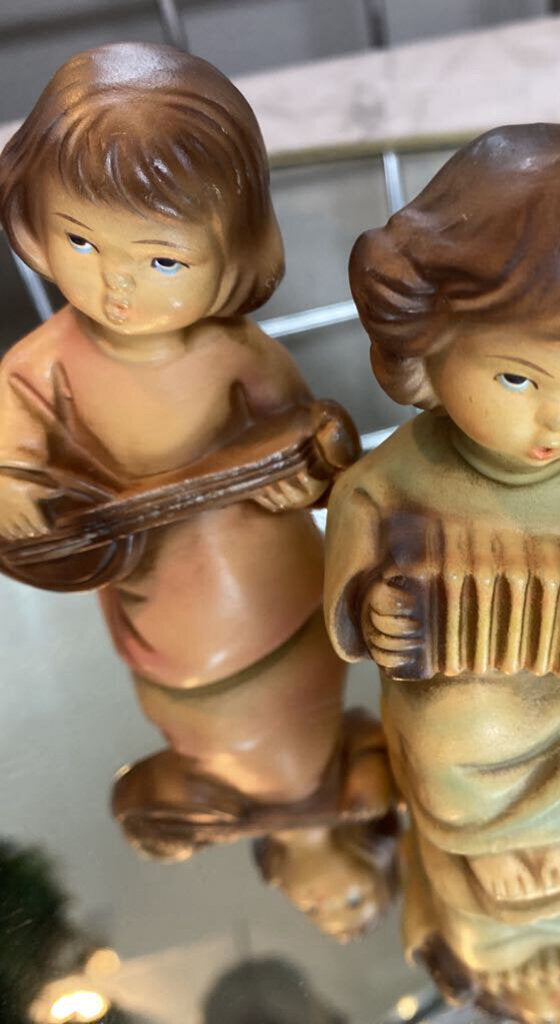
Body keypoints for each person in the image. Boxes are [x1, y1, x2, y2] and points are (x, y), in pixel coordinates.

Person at [325, 123, 560, 907]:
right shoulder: (405, 471)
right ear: (429, 344)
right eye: (518, 379)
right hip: (457, 690)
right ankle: (485, 842)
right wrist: (369, 608)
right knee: (451, 728)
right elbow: (356, 516)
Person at [0, 43, 356, 859]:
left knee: (298, 742)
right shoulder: (37, 369)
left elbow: (313, 443)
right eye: (81, 241)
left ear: (234, 250)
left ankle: (298, 801)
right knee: (198, 724)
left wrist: (306, 482)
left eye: (162, 259)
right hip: (161, 628)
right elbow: (10, 458)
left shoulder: (236, 354)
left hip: (282, 603)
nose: (117, 285)